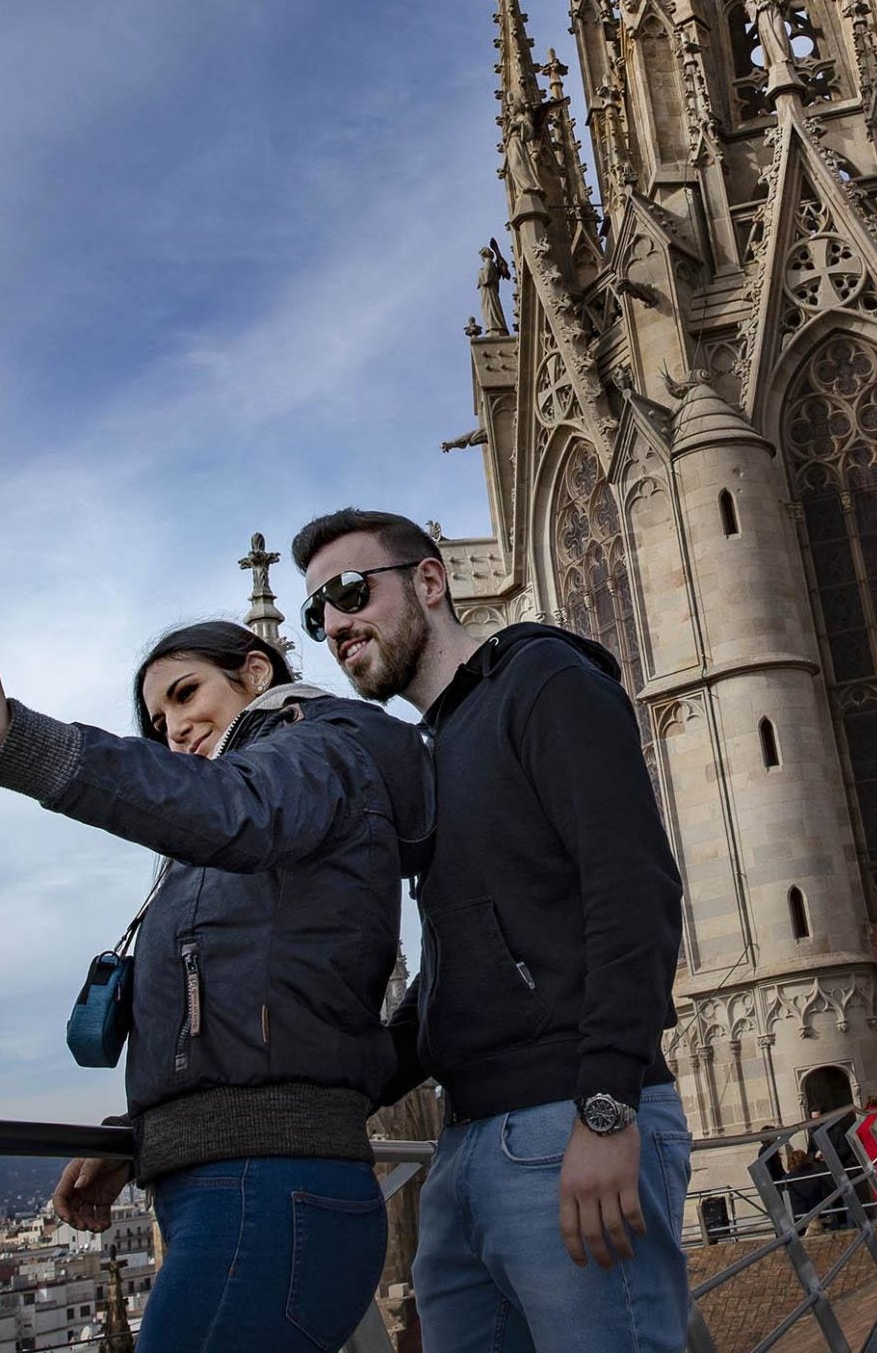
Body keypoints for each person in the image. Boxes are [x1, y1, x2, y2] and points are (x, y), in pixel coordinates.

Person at [0, 617, 430, 1353]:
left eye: (186, 693)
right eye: (157, 717)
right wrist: (149, 1135)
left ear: (257, 673)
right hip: (231, 1187)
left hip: (267, 1190)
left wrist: (13, 735)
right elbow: (244, 1014)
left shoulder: (314, 751)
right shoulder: (247, 816)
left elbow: (228, 811)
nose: (174, 727)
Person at [289, 508, 690, 1353]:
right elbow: (452, 972)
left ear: (429, 582)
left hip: (565, 1124)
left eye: (351, 591)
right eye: (315, 611)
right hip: (465, 1148)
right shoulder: (432, 751)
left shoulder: (543, 680)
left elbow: (633, 888)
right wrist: (304, 1093)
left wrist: (607, 1110)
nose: (334, 625)